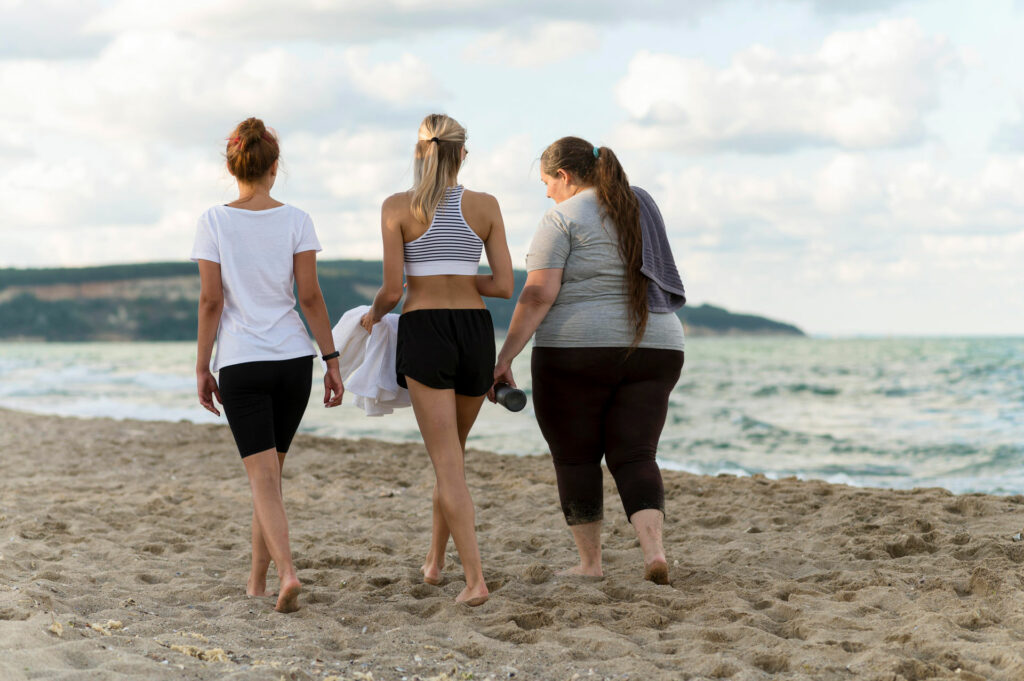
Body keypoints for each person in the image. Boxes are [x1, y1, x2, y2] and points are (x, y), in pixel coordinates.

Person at [491, 136, 685, 585]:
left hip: (577, 349)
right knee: (636, 455)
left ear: (565, 176)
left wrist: (506, 356)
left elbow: (539, 292)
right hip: (658, 343)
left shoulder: (562, 216)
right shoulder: (641, 204)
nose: (546, 193)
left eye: (546, 182)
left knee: (577, 459)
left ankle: (590, 565)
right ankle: (654, 552)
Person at [191, 117, 344, 613]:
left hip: (242, 363)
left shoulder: (213, 221)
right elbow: (311, 296)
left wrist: (201, 367)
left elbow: (211, 301)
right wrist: (331, 359)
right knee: (271, 480)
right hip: (293, 360)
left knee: (262, 481)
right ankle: (256, 582)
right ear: (274, 168)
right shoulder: (297, 219)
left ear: (232, 167)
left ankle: (286, 574)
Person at [361, 113, 514, 606]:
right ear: (462, 154)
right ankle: (435, 562)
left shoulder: (396, 207)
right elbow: (505, 286)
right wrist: (462, 280)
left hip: (425, 328)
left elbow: (391, 289)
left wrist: (371, 317)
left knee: (448, 464)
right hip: (474, 331)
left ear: (418, 152)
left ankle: (475, 582)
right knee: (452, 458)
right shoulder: (486, 205)